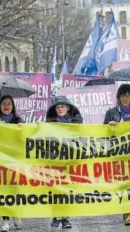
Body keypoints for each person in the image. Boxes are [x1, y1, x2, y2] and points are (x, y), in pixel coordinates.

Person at [104, 84, 130, 226]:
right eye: (122, 96)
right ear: (119, 97)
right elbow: (102, 132)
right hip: (118, 153)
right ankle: (126, 210)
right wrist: (108, 126)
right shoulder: (111, 112)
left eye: (128, 96)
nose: (125, 99)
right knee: (122, 184)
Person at [47, 96, 83, 230]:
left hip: (70, 160)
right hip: (55, 160)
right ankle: (56, 217)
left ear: (68, 108)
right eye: (57, 107)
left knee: (68, 190)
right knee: (56, 190)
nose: (60, 109)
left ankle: (65, 218)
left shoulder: (77, 122)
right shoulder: (50, 123)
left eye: (62, 106)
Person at [0, 95, 22, 231]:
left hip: (14, 160)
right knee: (3, 191)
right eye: (4, 103)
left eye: (9, 103)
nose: (6, 106)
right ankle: (6, 220)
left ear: (13, 106)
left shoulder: (18, 120)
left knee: (14, 190)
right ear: (0, 105)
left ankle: (15, 212)